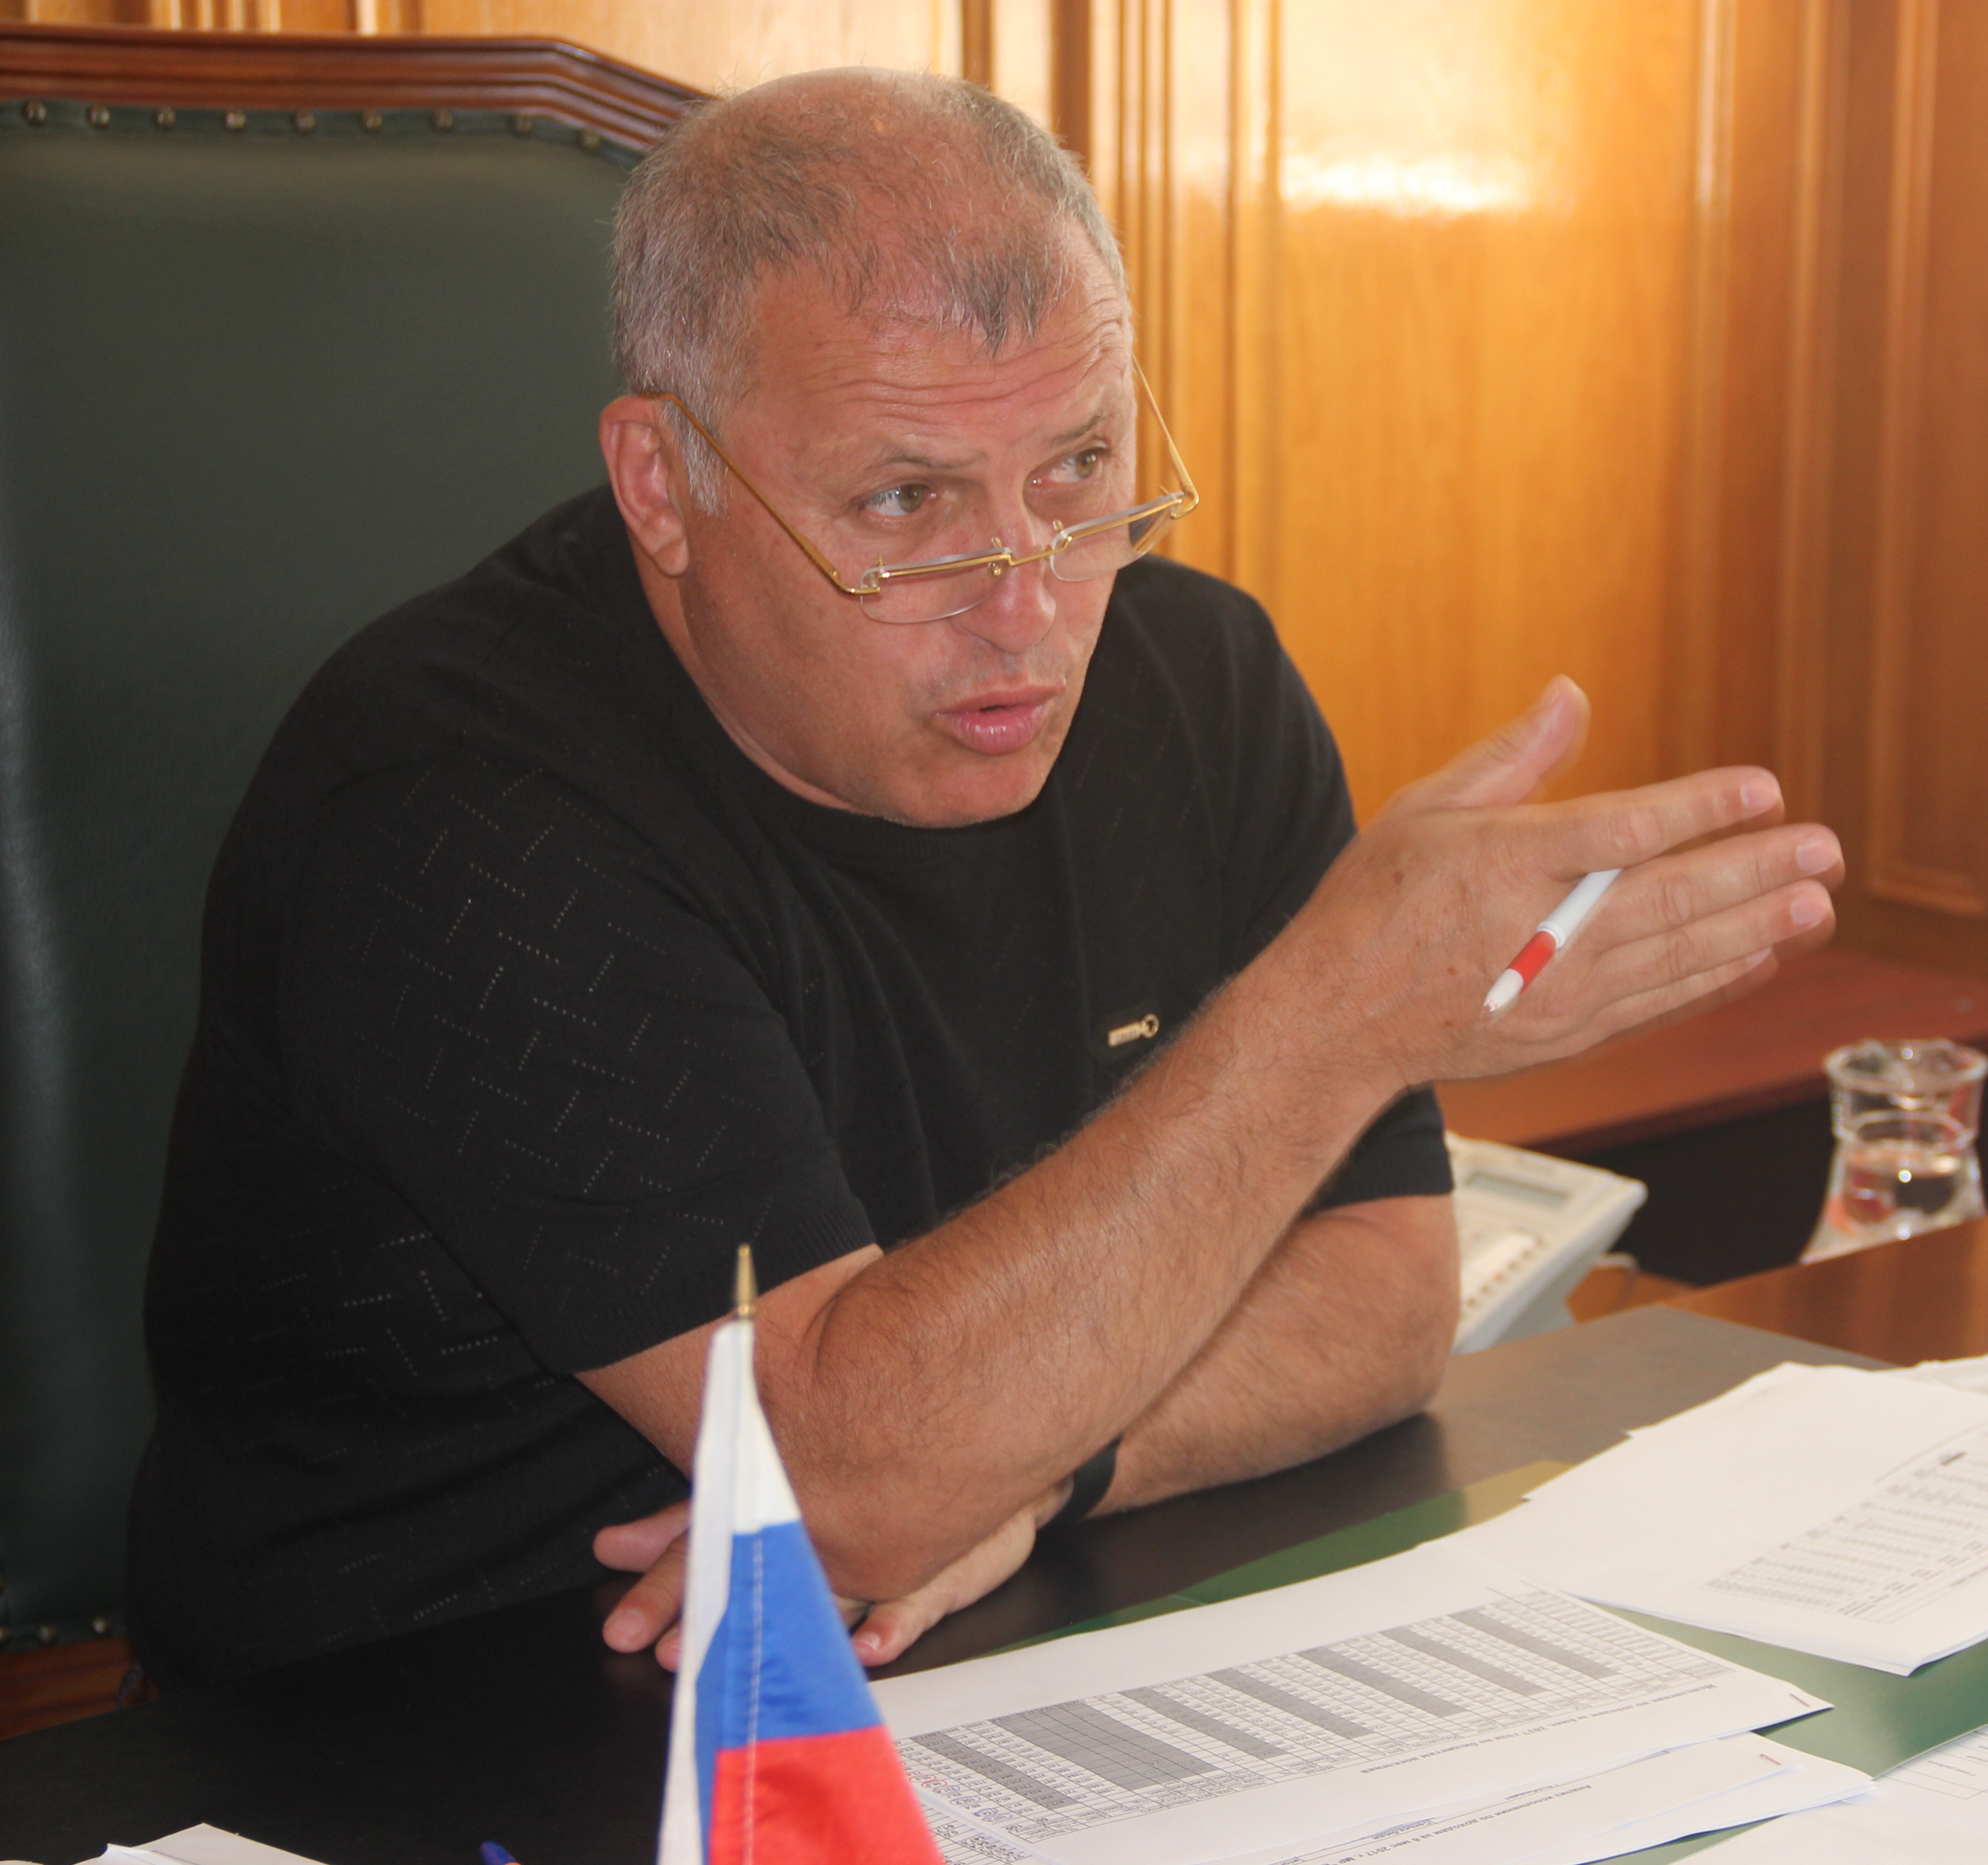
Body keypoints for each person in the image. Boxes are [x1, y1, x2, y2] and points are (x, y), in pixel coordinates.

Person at [128, 68, 1841, 1688]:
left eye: (1079, 470)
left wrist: (1045, 1470)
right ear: (663, 483)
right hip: (453, 1711)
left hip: (980, 1653)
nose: (1028, 609)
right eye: (906, 502)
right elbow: (853, 1481)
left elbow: (1388, 1299)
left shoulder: (1194, 679)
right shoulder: (455, 809)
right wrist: (1338, 1013)